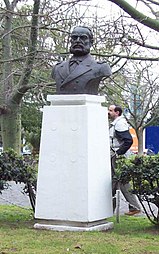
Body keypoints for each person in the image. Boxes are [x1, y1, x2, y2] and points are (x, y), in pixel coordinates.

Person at [52, 26, 111, 95]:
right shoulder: (57, 68)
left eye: (83, 38)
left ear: (91, 42)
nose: (78, 41)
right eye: (74, 38)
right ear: (70, 41)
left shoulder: (101, 67)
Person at [108, 105, 141, 215]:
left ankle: (134, 206)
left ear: (117, 112)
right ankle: (108, 209)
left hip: (117, 157)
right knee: (113, 182)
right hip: (115, 155)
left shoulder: (119, 124)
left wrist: (118, 153)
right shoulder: (117, 123)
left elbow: (128, 141)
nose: (108, 112)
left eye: (110, 110)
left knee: (121, 181)